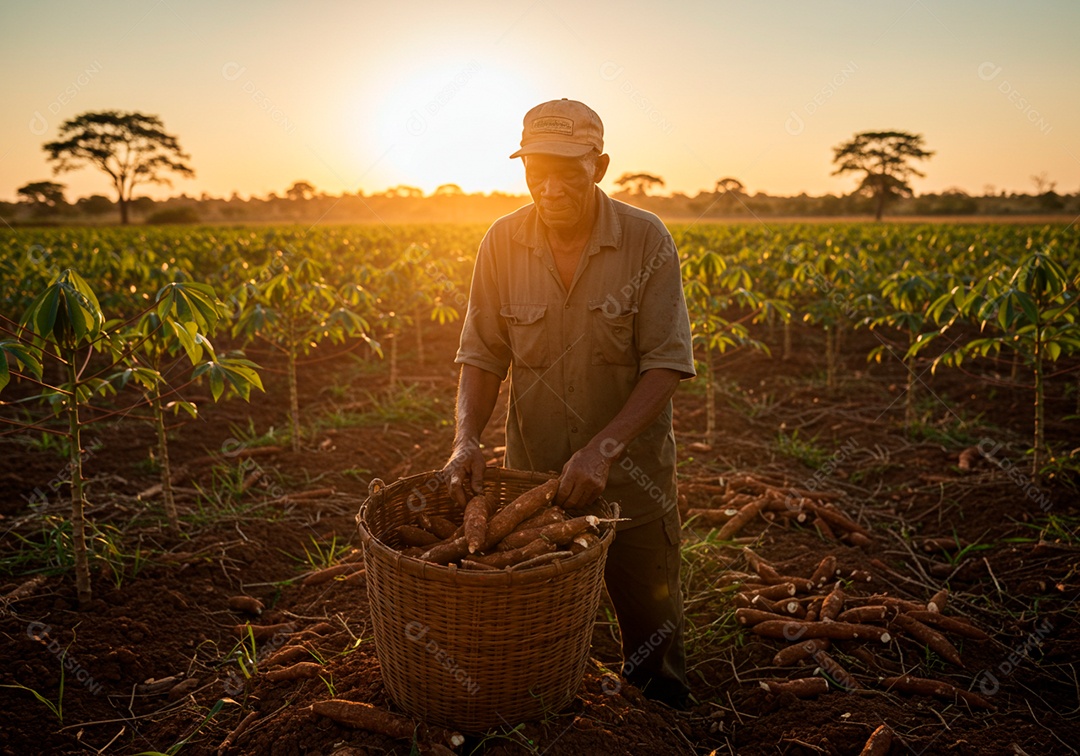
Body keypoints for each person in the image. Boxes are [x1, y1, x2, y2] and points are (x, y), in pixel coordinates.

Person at [442, 98, 696, 708]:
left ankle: (663, 723)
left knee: (650, 624)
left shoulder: (644, 240)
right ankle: (551, 715)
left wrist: (603, 450)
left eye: (568, 172)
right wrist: (466, 440)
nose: (550, 188)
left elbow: (666, 362)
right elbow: (481, 355)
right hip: (535, 482)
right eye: (536, 172)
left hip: (632, 477)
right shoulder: (502, 242)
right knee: (534, 628)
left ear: (600, 165)